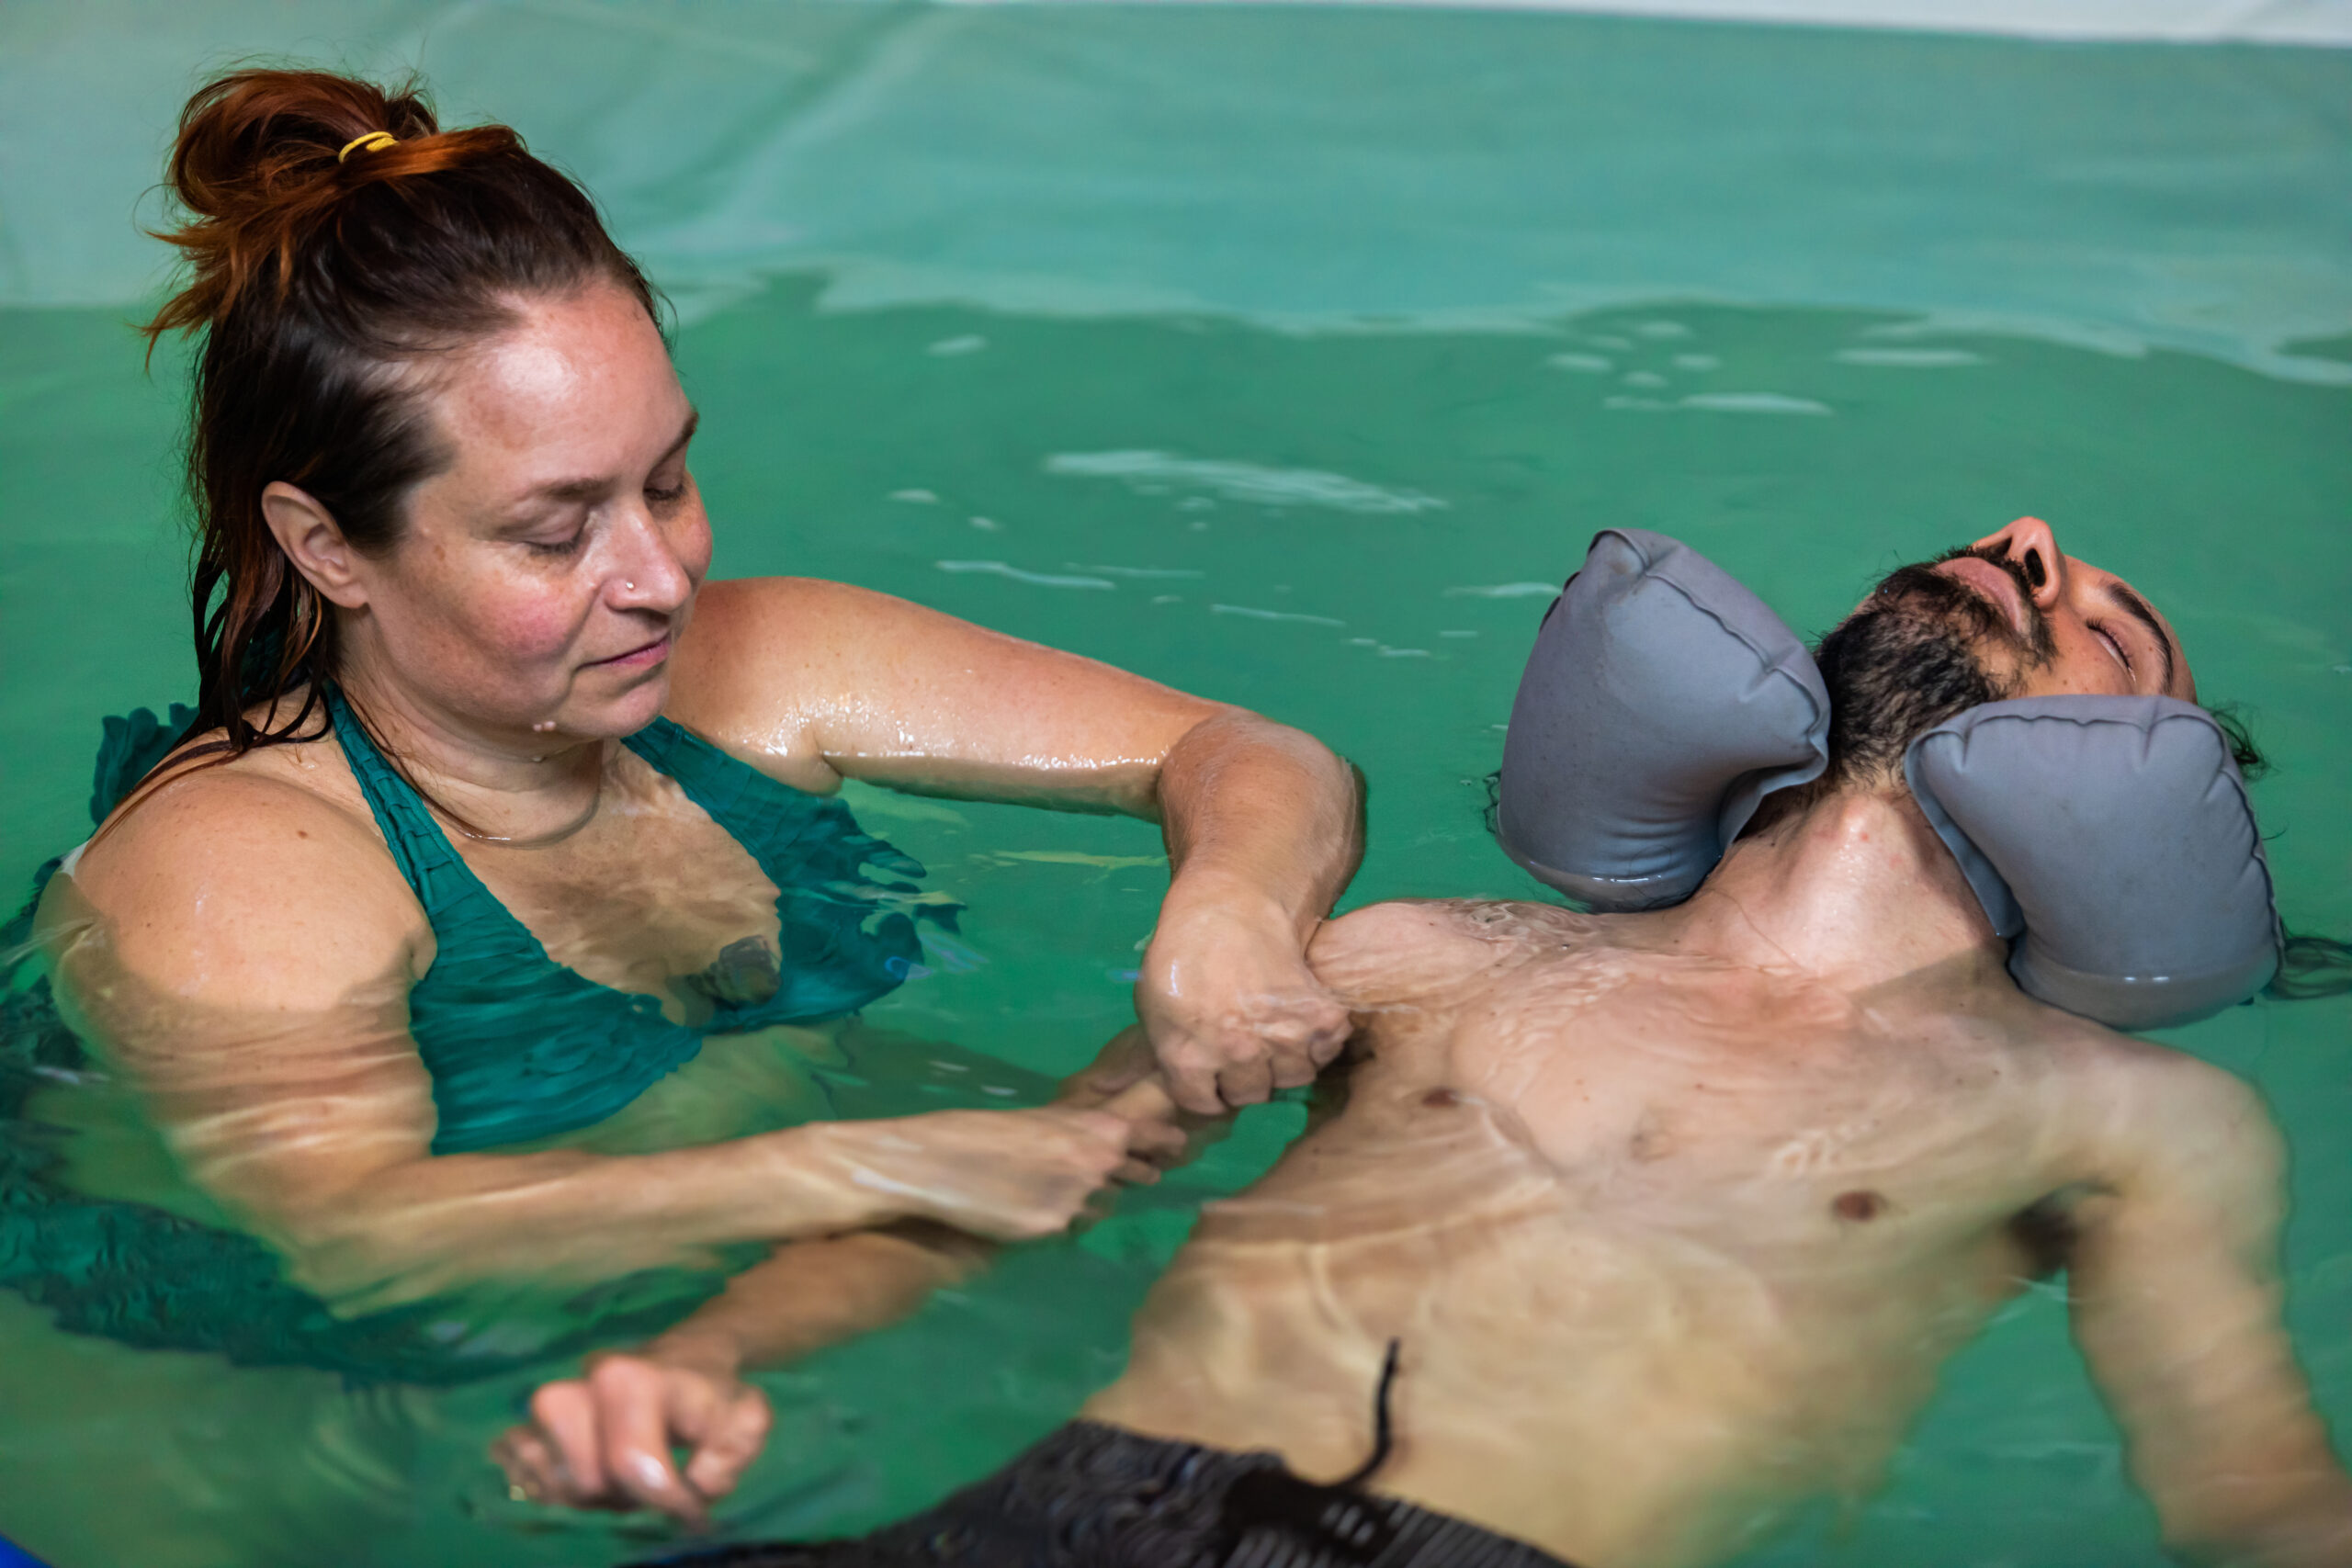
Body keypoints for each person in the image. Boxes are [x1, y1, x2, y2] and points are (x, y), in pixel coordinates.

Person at [509, 517, 2351, 1566]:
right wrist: (702, 1347)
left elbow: (2246, 1484)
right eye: (2017, 544)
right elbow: (1014, 1190)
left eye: (2107, 619)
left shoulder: (2111, 1113)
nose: (2027, 544)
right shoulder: (1417, 955)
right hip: (1044, 1518)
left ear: (2150, 798)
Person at [14, 68, 1358, 1374]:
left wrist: (1230, 909)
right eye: (557, 531)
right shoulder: (241, 874)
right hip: (260, 1381)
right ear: (325, 547)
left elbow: (1250, 755)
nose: (663, 576)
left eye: (665, 480)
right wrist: (856, 1164)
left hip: (722, 1306)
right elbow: (355, 1237)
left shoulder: (766, 668)